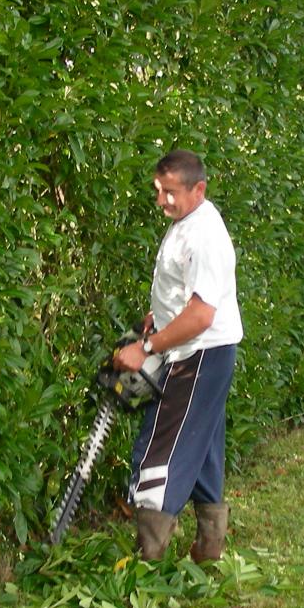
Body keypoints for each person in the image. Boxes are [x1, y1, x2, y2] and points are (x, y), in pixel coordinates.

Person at [113, 150, 243, 563]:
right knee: (201, 448)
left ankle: (145, 561)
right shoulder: (189, 222)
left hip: (198, 355)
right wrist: (161, 316)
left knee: (159, 447)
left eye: (170, 193)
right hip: (206, 352)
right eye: (158, 191)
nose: (161, 201)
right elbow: (189, 296)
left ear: (198, 188)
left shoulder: (204, 236)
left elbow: (202, 315)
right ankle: (209, 549)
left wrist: (146, 347)